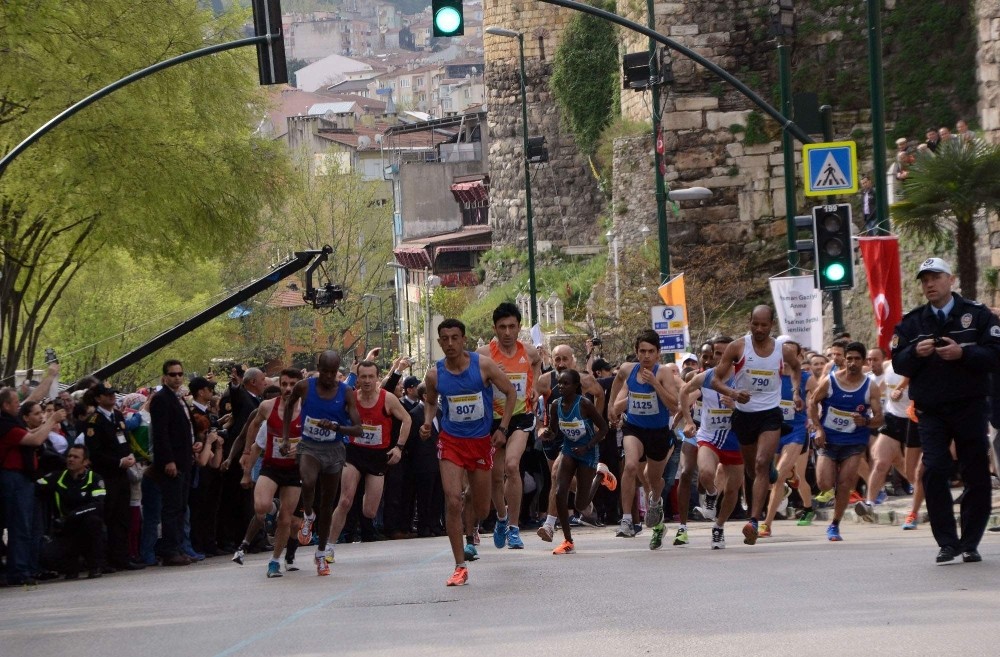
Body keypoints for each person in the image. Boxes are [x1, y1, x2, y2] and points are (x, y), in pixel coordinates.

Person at [891, 257, 1000, 564]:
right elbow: (898, 361)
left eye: (935, 277)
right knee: (935, 470)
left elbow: (994, 355)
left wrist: (962, 353)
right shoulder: (913, 322)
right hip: (932, 411)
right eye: (924, 279)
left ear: (951, 280)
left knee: (976, 475)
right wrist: (915, 352)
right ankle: (947, 542)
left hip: (971, 406)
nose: (929, 284)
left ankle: (970, 542)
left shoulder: (977, 316)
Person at [421, 319, 516, 587]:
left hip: (480, 442)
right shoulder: (434, 375)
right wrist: (428, 422)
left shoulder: (482, 365)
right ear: (439, 342)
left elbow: (510, 392)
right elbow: (430, 401)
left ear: (463, 339)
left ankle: (475, 523)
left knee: (482, 507)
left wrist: (504, 429)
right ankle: (459, 565)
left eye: (455, 338)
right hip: (451, 442)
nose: (450, 343)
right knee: (452, 500)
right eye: (445, 339)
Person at [711, 305, 802, 546]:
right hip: (744, 415)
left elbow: (796, 368)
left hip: (770, 414)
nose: (759, 329)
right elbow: (715, 379)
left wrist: (795, 391)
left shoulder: (782, 350)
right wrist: (733, 392)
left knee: (761, 464)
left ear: (771, 325)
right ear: (749, 321)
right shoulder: (738, 347)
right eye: (755, 324)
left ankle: (753, 521)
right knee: (752, 470)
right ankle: (770, 474)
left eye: (764, 325)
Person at [283, 351, 363, 576]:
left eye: (333, 372)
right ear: (318, 367)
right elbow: (289, 406)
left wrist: (337, 427)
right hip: (309, 447)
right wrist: (287, 436)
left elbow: (358, 428)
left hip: (334, 449)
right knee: (307, 481)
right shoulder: (304, 386)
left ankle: (320, 554)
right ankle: (308, 514)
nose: (329, 376)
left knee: (328, 504)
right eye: (325, 371)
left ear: (338, 370)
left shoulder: (346, 392)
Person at [327, 361, 412, 562]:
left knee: (370, 511)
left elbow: (407, 420)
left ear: (377, 377)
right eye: (362, 376)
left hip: (377, 457)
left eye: (370, 377)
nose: (366, 381)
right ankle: (328, 547)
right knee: (346, 500)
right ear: (357, 378)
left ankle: (366, 490)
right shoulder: (351, 399)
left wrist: (399, 447)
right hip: (354, 453)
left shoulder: (387, 399)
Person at [607, 329, 680, 549]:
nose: (646, 356)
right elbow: (617, 380)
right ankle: (627, 520)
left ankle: (656, 503)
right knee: (629, 466)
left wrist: (655, 385)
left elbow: (674, 406)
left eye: (650, 351)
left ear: (658, 353)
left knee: (653, 480)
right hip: (634, 429)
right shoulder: (629, 370)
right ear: (636, 352)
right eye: (642, 351)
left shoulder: (663, 373)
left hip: (658, 432)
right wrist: (612, 406)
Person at [477, 302, 541, 550]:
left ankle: (514, 528)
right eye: (502, 327)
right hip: (494, 420)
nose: (506, 332)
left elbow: (536, 363)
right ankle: (501, 519)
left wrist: (533, 387)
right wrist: (491, 374)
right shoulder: (484, 354)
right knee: (496, 476)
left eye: (511, 326)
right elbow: (473, 379)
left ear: (519, 327)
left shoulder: (529, 351)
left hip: (521, 417)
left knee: (512, 466)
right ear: (494, 328)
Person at [809, 341, 882, 541]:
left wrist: (866, 421)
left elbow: (879, 419)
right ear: (844, 360)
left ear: (863, 361)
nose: (852, 363)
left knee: (844, 484)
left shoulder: (870, 387)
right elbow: (812, 403)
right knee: (824, 484)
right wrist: (818, 428)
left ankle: (835, 525)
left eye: (857, 359)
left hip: (854, 441)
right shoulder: (830, 381)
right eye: (849, 358)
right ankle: (833, 495)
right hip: (829, 440)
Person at [679, 336, 744, 549]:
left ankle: (719, 527)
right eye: (718, 353)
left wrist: (736, 407)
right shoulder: (706, 377)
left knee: (733, 490)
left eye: (726, 353)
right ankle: (712, 495)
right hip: (709, 436)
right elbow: (684, 391)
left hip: (736, 439)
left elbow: (758, 407)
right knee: (706, 473)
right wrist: (688, 421)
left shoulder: (743, 378)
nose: (721, 357)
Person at [240, 368, 304, 578]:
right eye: (284, 384)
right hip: (272, 467)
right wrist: (247, 452)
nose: (287, 388)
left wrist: (302, 446)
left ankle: (275, 561)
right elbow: (253, 425)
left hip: (294, 470)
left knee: (286, 519)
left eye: (292, 385)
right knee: (261, 506)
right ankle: (272, 509)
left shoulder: (308, 410)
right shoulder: (267, 406)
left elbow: (318, 436)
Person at [540, 369, 609, 554]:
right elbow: (554, 430)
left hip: (587, 452)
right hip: (569, 449)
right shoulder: (555, 405)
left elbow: (603, 428)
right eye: (559, 383)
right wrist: (548, 433)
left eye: (566, 383)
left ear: (576, 386)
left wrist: (587, 446)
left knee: (581, 505)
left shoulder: (585, 404)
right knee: (560, 493)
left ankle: (600, 476)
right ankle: (568, 540)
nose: (561, 387)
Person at [1, 393, 67, 585]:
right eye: (15, 402)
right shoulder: (7, 427)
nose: (18, 405)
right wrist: (52, 420)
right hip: (14, 479)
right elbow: (35, 440)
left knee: (29, 526)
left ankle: (28, 567)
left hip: (24, 479)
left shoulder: (12, 424)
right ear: (5, 406)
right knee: (20, 526)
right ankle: (19, 570)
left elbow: (33, 431)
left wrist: (51, 376)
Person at [83, 383, 143, 572]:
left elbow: (124, 441)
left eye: (112, 394)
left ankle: (121, 557)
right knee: (107, 516)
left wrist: (130, 456)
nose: (111, 397)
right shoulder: (94, 420)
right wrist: (118, 462)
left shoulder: (117, 416)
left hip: (122, 475)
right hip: (107, 475)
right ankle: (105, 559)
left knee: (122, 517)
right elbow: (95, 452)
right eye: (107, 395)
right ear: (98, 398)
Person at [150, 360, 198, 567]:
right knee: (171, 508)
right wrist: (168, 460)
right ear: (164, 377)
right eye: (172, 374)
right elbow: (161, 434)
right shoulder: (161, 399)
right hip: (172, 463)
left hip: (185, 460)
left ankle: (178, 547)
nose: (177, 377)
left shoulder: (179, 398)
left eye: (180, 374)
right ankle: (169, 550)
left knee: (180, 507)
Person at [36, 445, 107, 579]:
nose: (70, 459)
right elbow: (37, 485)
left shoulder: (95, 478)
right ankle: (71, 566)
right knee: (46, 555)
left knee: (94, 522)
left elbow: (98, 505)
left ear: (85, 462)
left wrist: (72, 516)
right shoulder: (58, 476)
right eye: (69, 456)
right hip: (65, 528)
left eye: (76, 457)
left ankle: (95, 566)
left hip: (85, 525)